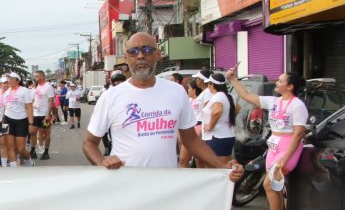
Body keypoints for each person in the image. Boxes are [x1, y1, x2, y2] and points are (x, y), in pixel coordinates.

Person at [82, 32, 243, 181]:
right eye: (133, 52)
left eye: (147, 50)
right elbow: (89, 143)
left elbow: (192, 141)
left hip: (166, 189)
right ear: (126, 58)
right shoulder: (111, 97)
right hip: (125, 186)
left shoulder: (176, 92)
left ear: (158, 55)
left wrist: (221, 166)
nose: (140, 56)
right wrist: (102, 161)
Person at [227, 68, 308, 210]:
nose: (276, 83)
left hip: (288, 147)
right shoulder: (274, 101)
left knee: (268, 184)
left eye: (280, 81)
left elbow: (299, 133)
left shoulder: (297, 105)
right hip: (273, 146)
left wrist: (286, 157)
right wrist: (233, 80)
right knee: (275, 187)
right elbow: (247, 96)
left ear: (290, 86)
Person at [200, 73, 236, 166]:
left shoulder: (218, 96)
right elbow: (238, 109)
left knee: (218, 167)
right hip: (226, 135)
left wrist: (210, 126)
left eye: (209, 84)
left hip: (218, 137)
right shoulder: (227, 96)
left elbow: (217, 111)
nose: (208, 86)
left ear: (212, 84)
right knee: (226, 166)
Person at [2, 72, 33, 167]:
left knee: (21, 149)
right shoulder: (7, 92)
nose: (9, 81)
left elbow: (29, 107)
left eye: (11, 79)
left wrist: (30, 123)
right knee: (10, 146)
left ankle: (29, 161)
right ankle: (13, 169)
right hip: (7, 120)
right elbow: (5, 107)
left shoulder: (24, 91)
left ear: (17, 81)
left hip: (21, 120)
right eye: (8, 79)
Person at [29, 70, 55, 160]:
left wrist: (48, 114)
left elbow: (51, 101)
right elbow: (32, 100)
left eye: (36, 76)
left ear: (41, 77)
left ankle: (46, 152)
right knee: (32, 132)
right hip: (36, 114)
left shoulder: (48, 87)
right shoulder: (35, 87)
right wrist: (31, 112)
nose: (35, 78)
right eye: (34, 76)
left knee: (46, 134)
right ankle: (32, 151)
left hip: (45, 114)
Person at [179, 79, 205, 168]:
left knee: (199, 160)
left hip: (199, 129)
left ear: (194, 90)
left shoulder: (202, 99)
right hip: (189, 130)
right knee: (183, 160)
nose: (188, 90)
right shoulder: (188, 100)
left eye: (189, 88)